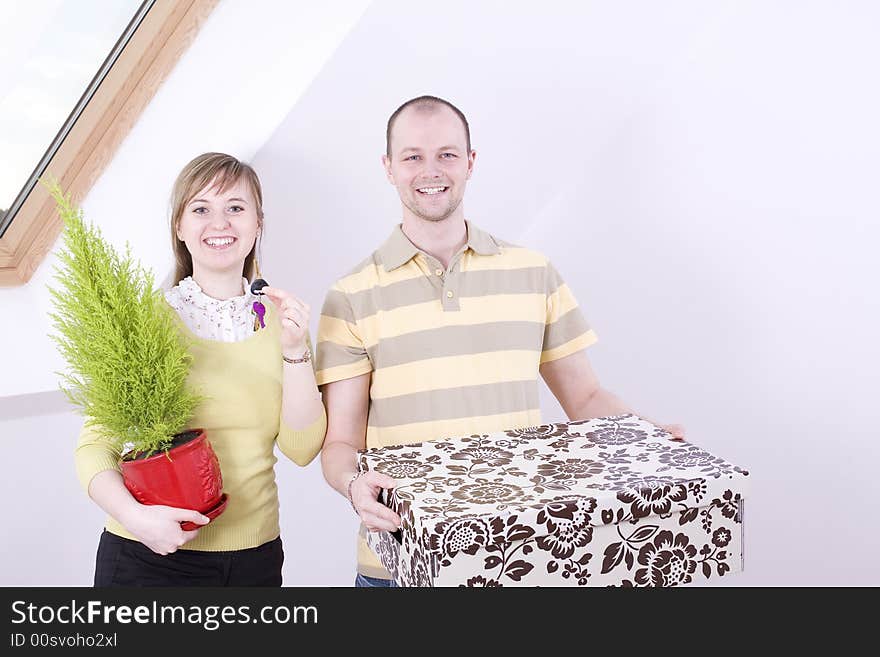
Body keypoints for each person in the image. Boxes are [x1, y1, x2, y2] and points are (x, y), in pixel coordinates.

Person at [315, 96, 684, 587]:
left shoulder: (533, 272)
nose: (431, 170)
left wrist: (647, 438)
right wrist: (353, 484)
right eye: (412, 156)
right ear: (388, 167)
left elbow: (586, 398)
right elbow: (341, 442)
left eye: (447, 154)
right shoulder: (351, 294)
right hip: (400, 568)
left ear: (470, 162)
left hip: (517, 555)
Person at [75, 152, 326, 586]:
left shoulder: (283, 321)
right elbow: (94, 448)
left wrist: (294, 349)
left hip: (255, 560)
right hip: (149, 555)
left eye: (235, 207)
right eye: (201, 209)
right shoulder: (143, 322)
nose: (220, 223)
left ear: (257, 222)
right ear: (179, 227)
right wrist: (137, 518)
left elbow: (301, 449)